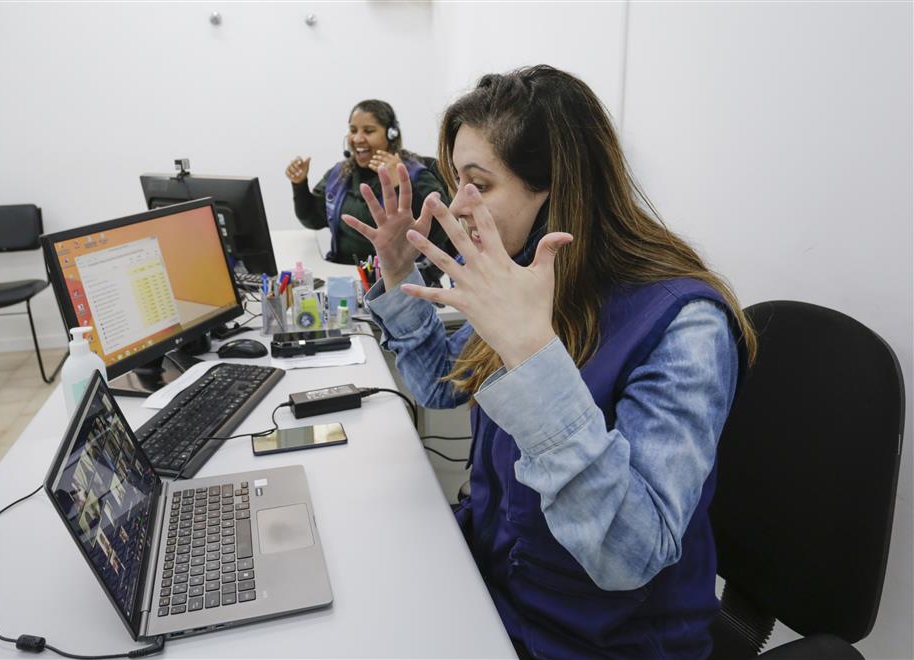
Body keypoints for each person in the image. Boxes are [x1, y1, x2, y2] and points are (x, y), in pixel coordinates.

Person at [344, 65, 757, 659]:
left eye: (478, 184)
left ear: (557, 190)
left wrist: (532, 357)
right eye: (455, 179)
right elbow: (443, 388)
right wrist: (398, 271)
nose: (454, 205)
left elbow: (628, 555)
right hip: (492, 593)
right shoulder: (521, 281)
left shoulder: (684, 324)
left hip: (596, 640)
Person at [286, 99, 452, 268]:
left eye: (369, 131)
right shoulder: (339, 175)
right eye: (353, 130)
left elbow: (443, 230)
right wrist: (299, 185)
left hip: (399, 277)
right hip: (343, 275)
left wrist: (400, 184)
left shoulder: (416, 173)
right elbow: (312, 220)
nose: (357, 138)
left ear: (391, 134)